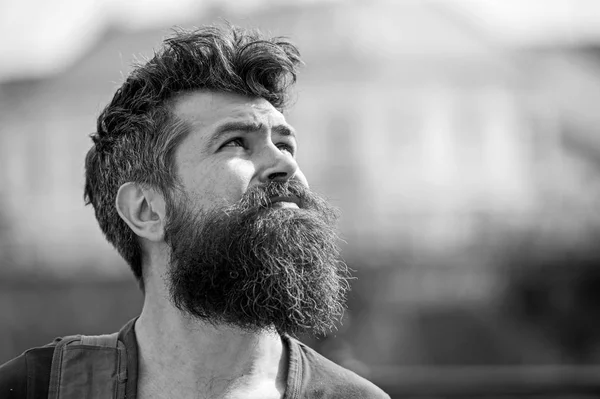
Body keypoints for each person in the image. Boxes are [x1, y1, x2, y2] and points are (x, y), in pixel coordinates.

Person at [0, 24, 390, 398]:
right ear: (146, 210)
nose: (285, 165)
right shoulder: (36, 389)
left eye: (285, 145)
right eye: (236, 142)